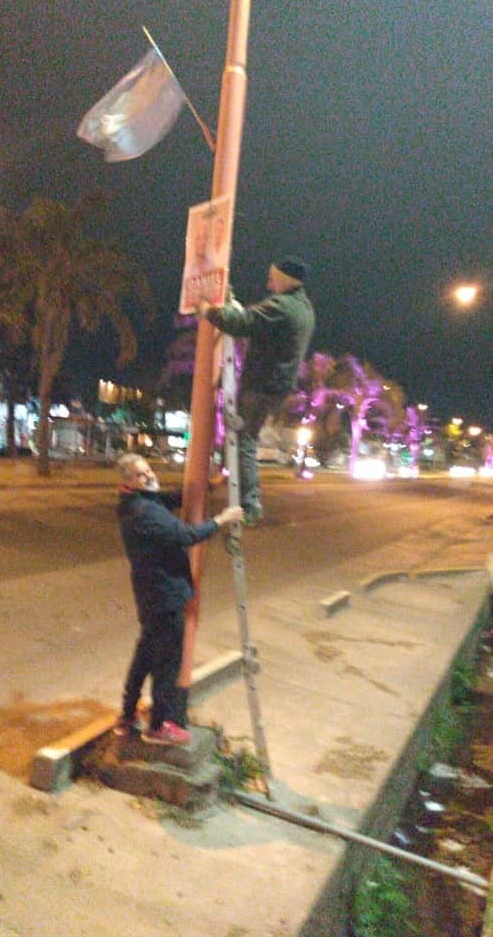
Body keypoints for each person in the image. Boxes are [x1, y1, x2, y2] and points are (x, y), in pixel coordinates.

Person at [114, 453, 243, 745]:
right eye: (141, 475)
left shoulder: (135, 502)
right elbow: (186, 534)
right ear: (128, 482)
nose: (148, 476)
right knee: (168, 662)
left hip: (151, 596)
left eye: (148, 470)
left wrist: (208, 485)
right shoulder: (143, 512)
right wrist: (221, 520)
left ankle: (126, 715)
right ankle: (159, 725)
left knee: (145, 656)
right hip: (164, 597)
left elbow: (169, 499)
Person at [198, 257, 315, 524]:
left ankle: (250, 505)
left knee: (245, 440)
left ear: (285, 277)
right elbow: (256, 317)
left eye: (272, 275)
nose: (268, 281)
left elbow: (243, 323)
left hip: (262, 385)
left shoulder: (283, 306)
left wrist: (208, 310)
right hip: (275, 386)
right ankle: (227, 475)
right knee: (239, 434)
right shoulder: (302, 307)